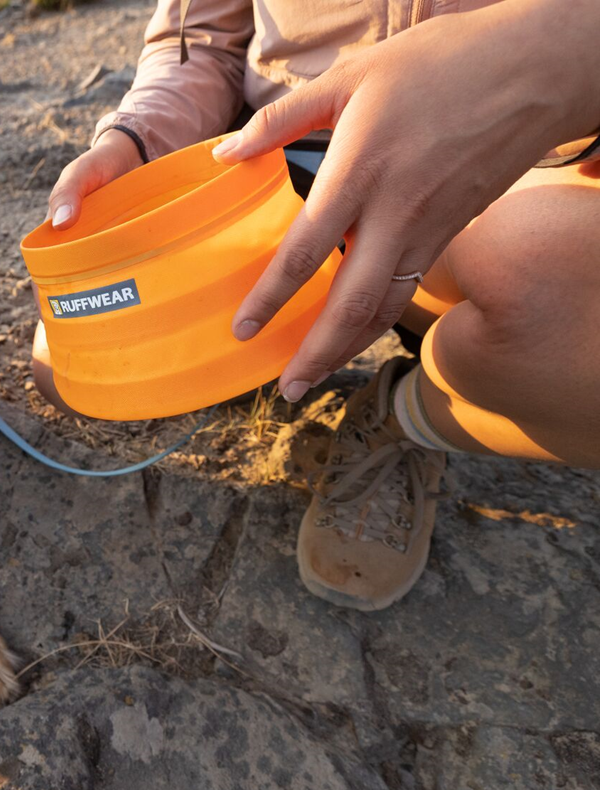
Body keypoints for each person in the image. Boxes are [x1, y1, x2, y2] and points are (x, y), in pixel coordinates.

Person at [36, 0, 600, 610]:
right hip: (287, 168)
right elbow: (200, 37)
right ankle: (274, 349)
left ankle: (401, 421)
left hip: (523, 163)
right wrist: (139, 140)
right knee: (66, 367)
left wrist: (549, 54)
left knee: (535, 269)